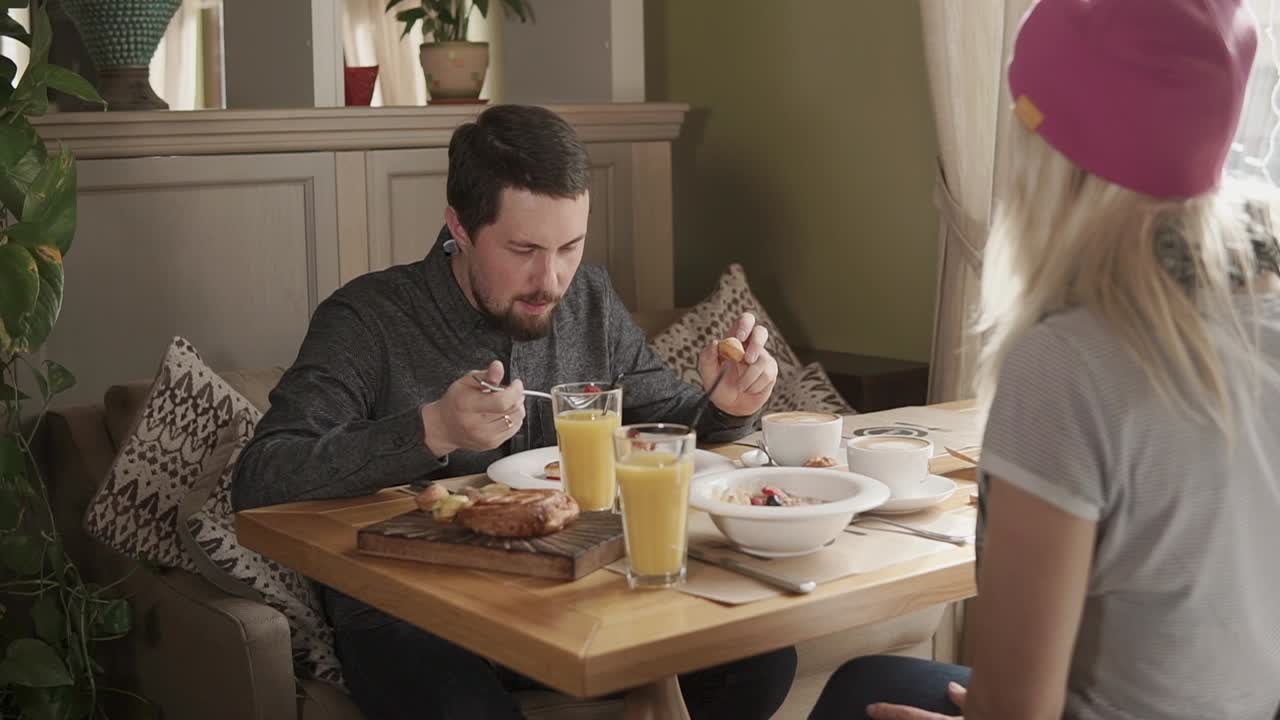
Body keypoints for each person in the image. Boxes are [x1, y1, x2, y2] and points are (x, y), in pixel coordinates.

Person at [231, 104, 797, 720]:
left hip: (576, 593)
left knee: (762, 656)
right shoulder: (368, 318)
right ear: (460, 226)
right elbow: (262, 475)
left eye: (570, 246)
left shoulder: (590, 301)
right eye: (523, 249)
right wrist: (432, 429)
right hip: (415, 614)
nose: (550, 279)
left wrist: (727, 406)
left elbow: (669, 422)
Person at [809, 1, 1280, 719]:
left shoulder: (1069, 364)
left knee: (861, 695)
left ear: (1053, 156)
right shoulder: (1263, 310)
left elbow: (1013, 709)